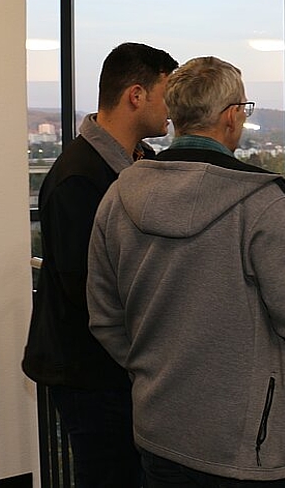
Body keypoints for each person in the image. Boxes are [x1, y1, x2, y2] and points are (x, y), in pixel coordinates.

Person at [86, 56, 285, 487]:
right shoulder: (260, 203)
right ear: (232, 116)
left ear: (176, 118)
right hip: (249, 445)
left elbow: (104, 316)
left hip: (160, 428)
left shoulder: (119, 194)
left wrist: (153, 369)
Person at [22, 42, 178, 488]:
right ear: (136, 95)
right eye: (166, 94)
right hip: (91, 374)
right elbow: (88, 290)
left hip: (119, 369)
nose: (172, 108)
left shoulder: (140, 164)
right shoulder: (79, 178)